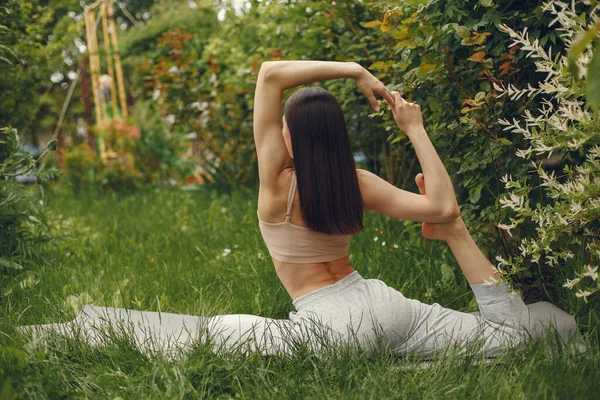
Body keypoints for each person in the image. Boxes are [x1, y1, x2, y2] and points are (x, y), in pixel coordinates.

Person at [23, 61, 583, 359]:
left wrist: (352, 69)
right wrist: (414, 129)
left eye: (285, 128)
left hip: (329, 329)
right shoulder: (356, 182)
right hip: (386, 305)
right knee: (514, 336)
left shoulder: (276, 186)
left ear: (290, 136)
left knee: (192, 337)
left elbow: (269, 74)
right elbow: (442, 205)